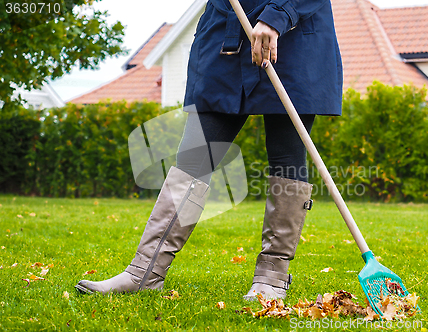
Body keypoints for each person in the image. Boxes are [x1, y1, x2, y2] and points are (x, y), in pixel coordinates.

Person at [75, 0, 343, 300]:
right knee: (194, 157)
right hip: (226, 38)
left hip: (291, 42)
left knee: (287, 159)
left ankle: (271, 277)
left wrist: (278, 14)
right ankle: (145, 271)